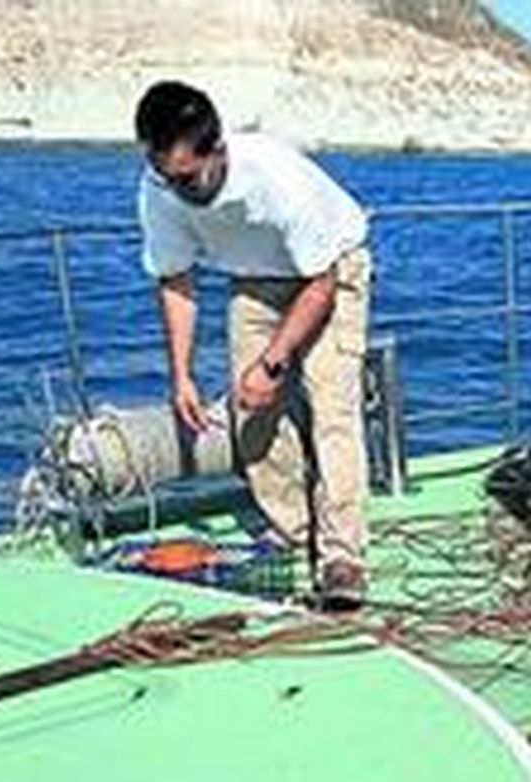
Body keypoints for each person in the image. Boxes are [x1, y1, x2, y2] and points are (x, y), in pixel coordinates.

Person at [133, 80, 373, 610]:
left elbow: (322, 286)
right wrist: (182, 376)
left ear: (217, 150)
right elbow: (175, 280)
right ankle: (293, 533)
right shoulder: (159, 190)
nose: (180, 190)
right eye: (168, 178)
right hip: (254, 277)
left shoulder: (274, 178)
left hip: (331, 270)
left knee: (333, 409)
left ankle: (342, 557)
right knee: (251, 413)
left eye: (189, 178)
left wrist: (274, 362)